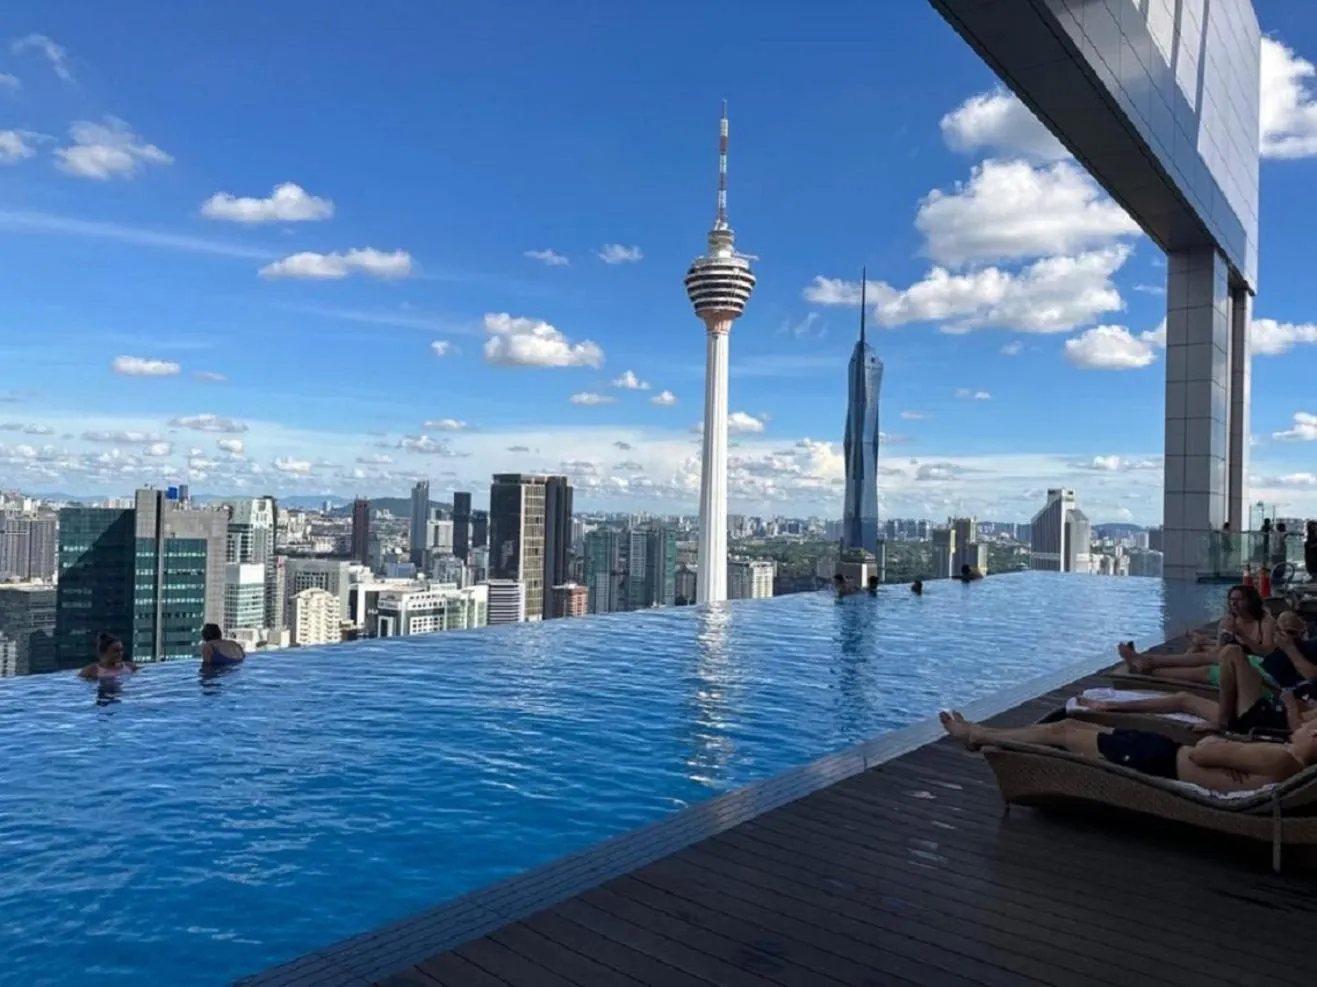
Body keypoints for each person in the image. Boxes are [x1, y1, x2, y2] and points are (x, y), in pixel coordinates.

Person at [939, 709, 1317, 793]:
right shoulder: (1284, 760)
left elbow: (1203, 752)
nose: (1302, 725)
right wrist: (1226, 749)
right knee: (1078, 727)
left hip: (1161, 761)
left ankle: (976, 735)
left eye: (1311, 727)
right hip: (1164, 754)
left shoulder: (1281, 758)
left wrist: (1216, 744)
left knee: (1063, 731)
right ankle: (981, 732)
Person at [1080, 639, 1317, 735]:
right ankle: (1108, 706)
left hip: (1268, 719)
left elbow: (1299, 733)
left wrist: (1290, 704)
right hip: (1268, 709)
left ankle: (1223, 722)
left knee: (1232, 653)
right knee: (1183, 698)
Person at [1118, 584, 1276, 687]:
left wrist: (1242, 635)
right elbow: (1221, 650)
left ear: (1250, 601)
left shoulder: (1265, 622)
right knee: (1207, 657)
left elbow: (1268, 653)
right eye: (1231, 600)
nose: (1233, 604)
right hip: (1232, 660)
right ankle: (1144, 665)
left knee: (1204, 662)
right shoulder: (1228, 621)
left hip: (1258, 665)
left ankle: (1146, 662)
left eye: (1238, 600)